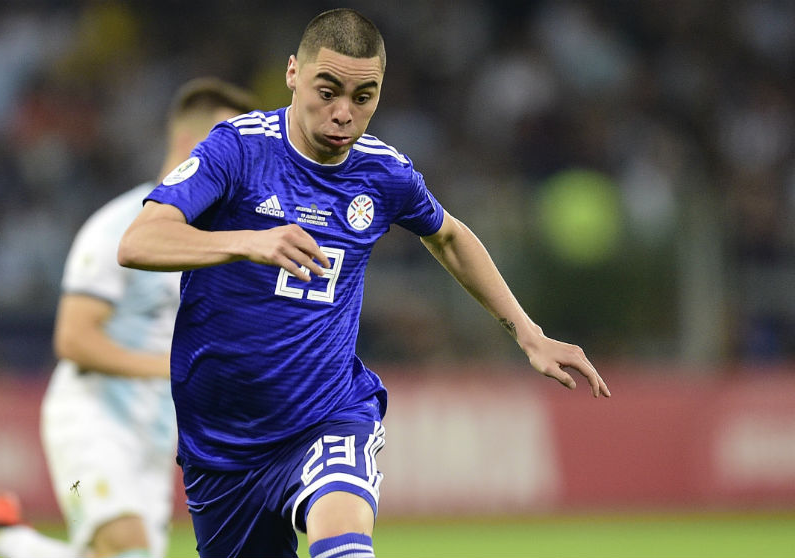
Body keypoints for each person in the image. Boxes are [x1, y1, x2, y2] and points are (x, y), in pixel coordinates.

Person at [117, 8, 610, 558]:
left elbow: (448, 236)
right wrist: (247, 241)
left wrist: (527, 332)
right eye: (327, 91)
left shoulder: (384, 173)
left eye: (363, 96)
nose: (343, 114)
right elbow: (138, 242)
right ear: (292, 75)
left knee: (344, 548)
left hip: (326, 417)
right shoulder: (236, 149)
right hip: (221, 445)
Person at [0, 78, 258, 558]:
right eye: (232, 148)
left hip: (156, 438)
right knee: (127, 552)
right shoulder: (120, 227)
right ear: (189, 146)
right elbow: (74, 339)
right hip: (94, 421)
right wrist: (171, 370)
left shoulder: (217, 240)